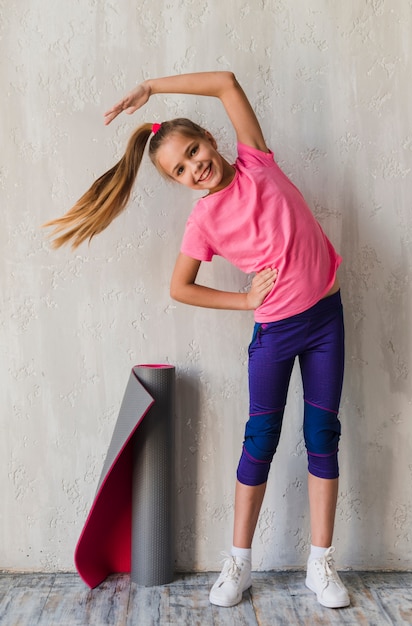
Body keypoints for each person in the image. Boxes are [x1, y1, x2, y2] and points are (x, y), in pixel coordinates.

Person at [44, 71, 350, 609]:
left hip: (326, 320)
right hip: (274, 331)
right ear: (178, 182)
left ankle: (320, 563)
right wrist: (244, 301)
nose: (194, 167)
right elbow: (179, 287)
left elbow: (227, 82)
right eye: (180, 170)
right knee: (261, 441)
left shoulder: (256, 158)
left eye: (193, 150)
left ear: (210, 138)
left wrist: (149, 88)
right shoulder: (203, 221)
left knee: (323, 434)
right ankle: (239, 561)